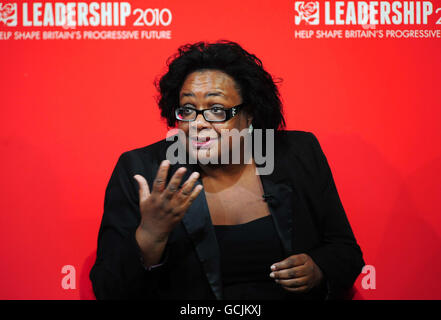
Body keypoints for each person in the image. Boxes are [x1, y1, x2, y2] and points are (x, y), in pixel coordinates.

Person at [89, 40, 365, 300]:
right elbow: (108, 289)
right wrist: (151, 235)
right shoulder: (141, 170)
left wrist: (319, 269)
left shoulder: (297, 154)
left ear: (250, 114)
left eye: (217, 109)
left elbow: (345, 251)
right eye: (187, 110)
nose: (197, 123)